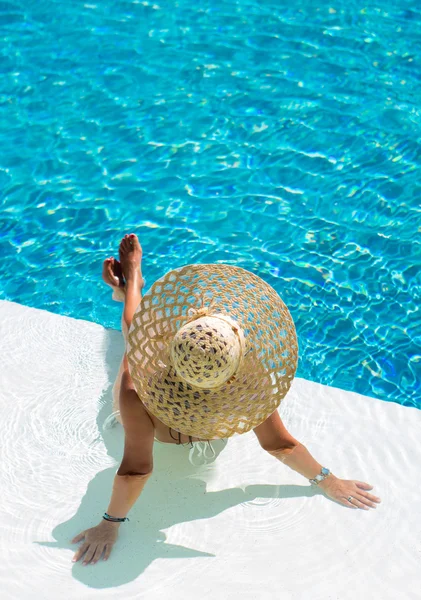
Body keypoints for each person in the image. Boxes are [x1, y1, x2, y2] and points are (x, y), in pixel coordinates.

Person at [71, 233, 381, 566]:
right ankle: (131, 283)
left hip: (147, 408)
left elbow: (136, 470)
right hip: (208, 427)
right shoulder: (250, 381)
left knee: (135, 333)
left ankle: (132, 284)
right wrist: (327, 481)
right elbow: (280, 445)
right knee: (133, 332)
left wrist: (110, 524)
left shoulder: (136, 389)